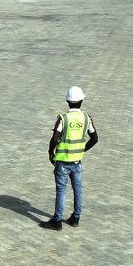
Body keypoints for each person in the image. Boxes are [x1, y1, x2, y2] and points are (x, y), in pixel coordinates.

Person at [40, 85, 98, 229]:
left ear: (67, 101)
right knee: (78, 190)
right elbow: (94, 138)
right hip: (77, 161)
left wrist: (50, 152)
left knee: (61, 191)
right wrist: (82, 150)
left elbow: (55, 138)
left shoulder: (63, 118)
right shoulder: (86, 118)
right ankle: (75, 218)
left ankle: (57, 221)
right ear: (81, 101)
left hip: (62, 162)